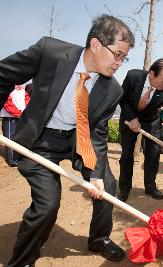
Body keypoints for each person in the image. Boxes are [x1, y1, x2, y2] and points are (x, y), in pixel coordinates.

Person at [0, 15, 134, 266]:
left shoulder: (112, 90)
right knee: (47, 205)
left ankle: (99, 238)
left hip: (78, 140)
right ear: (95, 44)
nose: (120, 63)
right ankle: (23, 261)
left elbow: (98, 133)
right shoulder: (50, 52)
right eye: (117, 54)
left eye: (124, 58)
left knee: (106, 185)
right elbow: (3, 74)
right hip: (40, 139)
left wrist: (95, 172)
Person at [118, 58, 163, 202]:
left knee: (154, 154)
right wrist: (132, 118)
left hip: (151, 121)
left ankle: (150, 187)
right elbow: (122, 99)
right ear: (151, 73)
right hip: (129, 119)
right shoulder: (133, 76)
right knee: (126, 155)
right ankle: (124, 189)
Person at [0, 84, 31, 167]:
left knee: (19, 137)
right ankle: (12, 160)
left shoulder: (22, 90)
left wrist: (25, 113)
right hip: (9, 118)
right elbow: (7, 104)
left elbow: (27, 100)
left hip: (20, 117)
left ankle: (19, 157)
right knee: (10, 139)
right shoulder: (7, 89)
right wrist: (20, 114)